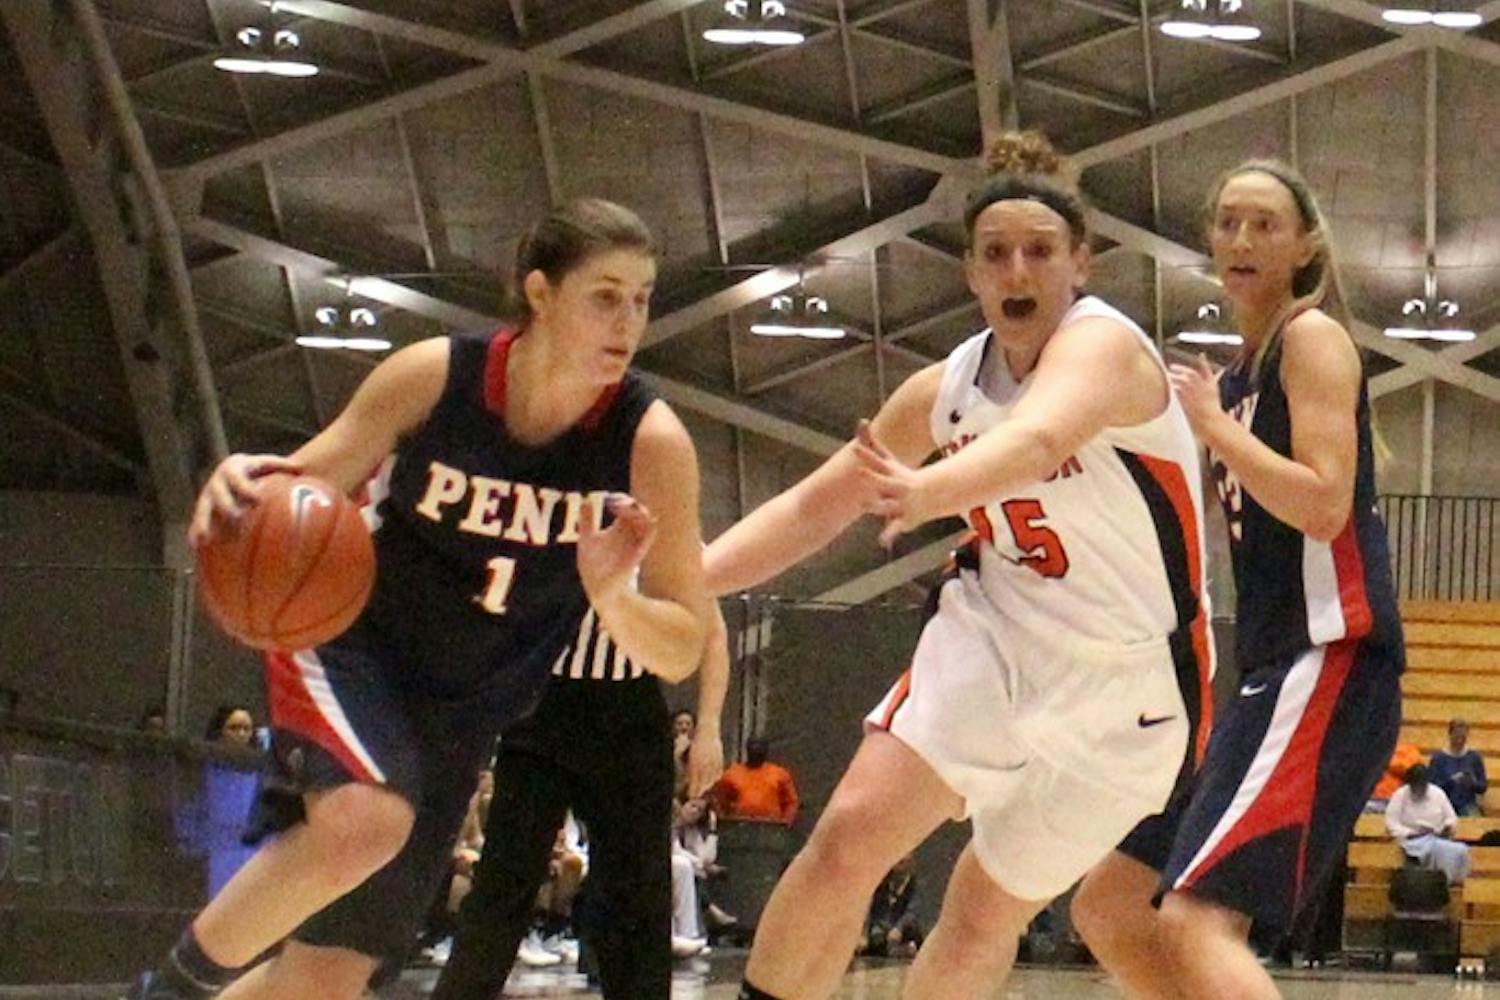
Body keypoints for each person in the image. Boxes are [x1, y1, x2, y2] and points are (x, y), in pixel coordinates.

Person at [128, 198, 712, 1000]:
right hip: (350, 646)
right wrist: (244, 487)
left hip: (461, 715)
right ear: (539, 294)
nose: (629, 321)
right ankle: (163, 993)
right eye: (605, 295)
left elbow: (684, 639)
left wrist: (615, 600)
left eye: (643, 298)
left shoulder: (651, 443)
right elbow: (311, 478)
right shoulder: (437, 377)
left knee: (325, 978)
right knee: (368, 823)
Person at [705, 129, 1213, 1000]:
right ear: (972, 273)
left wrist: (924, 493)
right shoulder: (940, 391)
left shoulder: (1109, 348)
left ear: (1080, 265)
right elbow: (810, 509)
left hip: (1127, 688)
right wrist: (685, 578)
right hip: (995, 639)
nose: (1019, 272)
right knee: (847, 837)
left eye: (1041, 253)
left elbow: (1041, 436)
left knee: (982, 910)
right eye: (996, 254)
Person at [1072, 159, 1405, 1000]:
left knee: (1195, 921)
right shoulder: (1233, 377)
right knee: (1110, 906)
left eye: (1264, 224)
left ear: (1303, 247)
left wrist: (1217, 431)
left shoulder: (1311, 338)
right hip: (1261, 670)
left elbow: (1326, 505)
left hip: (1329, 657)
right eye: (1227, 222)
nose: (1242, 239)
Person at [429, 604, 729, 1000]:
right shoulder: (545, 543)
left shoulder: (662, 541)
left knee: (639, 895)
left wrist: (709, 728)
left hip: (631, 712)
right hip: (541, 707)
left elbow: (711, 627)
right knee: (502, 883)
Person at [1387, 763, 1471, 884]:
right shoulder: (1400, 795)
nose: (1419, 788)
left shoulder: (1438, 793)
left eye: (1422, 785)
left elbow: (1451, 818)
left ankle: (1451, 882)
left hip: (1437, 837)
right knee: (1432, 848)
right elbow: (1391, 822)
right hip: (1411, 841)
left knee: (1461, 850)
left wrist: (1446, 827)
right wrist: (1411, 833)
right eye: (1416, 785)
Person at [713, 737, 800, 825]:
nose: (756, 752)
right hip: (739, 828)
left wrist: (784, 824)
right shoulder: (732, 774)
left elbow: (791, 802)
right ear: (747, 750)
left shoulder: (780, 774)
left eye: (760, 749)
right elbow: (719, 800)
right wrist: (725, 823)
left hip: (771, 829)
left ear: (766, 752)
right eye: (753, 748)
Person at [862, 854, 923, 959]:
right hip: (884, 928)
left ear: (911, 865)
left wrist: (898, 928)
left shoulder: (914, 885)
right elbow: (875, 910)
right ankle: (896, 951)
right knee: (876, 939)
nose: (897, 866)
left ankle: (904, 949)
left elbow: (912, 912)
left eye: (902, 862)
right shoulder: (882, 884)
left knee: (913, 929)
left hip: (903, 928)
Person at [1430, 718, 1488, 816]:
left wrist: (1472, 783)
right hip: (1444, 804)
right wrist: (1451, 781)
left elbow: (1483, 787)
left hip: (1467, 804)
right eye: (1457, 736)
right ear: (1450, 735)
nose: (1460, 741)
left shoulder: (1474, 757)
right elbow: (1433, 787)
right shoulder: (1438, 759)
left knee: (1472, 817)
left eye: (1463, 737)